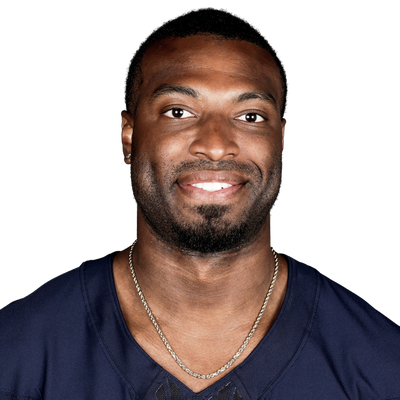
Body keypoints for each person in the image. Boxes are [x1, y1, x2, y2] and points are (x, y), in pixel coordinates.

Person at [1, 5, 399, 399]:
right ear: (127, 137)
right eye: (179, 111)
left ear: (282, 140)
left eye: (250, 116)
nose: (215, 145)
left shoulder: (382, 364)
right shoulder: (16, 351)